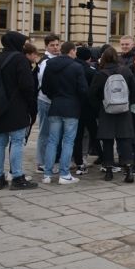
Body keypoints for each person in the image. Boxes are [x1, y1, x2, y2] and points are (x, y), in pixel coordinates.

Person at [0, 31, 38, 190]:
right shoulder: (19, 59)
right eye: (23, 43)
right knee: (17, 141)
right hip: (16, 108)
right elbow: (27, 86)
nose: (24, 46)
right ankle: (17, 177)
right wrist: (32, 107)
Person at [40, 41, 88, 185]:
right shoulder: (77, 67)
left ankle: (47, 174)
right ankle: (64, 174)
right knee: (68, 141)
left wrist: (55, 96)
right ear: (72, 51)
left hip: (55, 105)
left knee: (52, 141)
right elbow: (83, 89)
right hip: (71, 107)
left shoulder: (50, 64)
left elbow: (45, 87)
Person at [89, 46, 135, 182]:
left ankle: (109, 171)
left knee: (108, 142)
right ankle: (129, 170)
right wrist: (127, 103)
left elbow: (93, 94)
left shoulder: (101, 74)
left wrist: (100, 107)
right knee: (125, 141)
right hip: (124, 110)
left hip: (107, 111)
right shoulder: (126, 71)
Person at [35, 33, 61, 173]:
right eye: (52, 45)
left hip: (53, 100)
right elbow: (44, 83)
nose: (55, 48)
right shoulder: (45, 61)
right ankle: (41, 162)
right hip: (45, 99)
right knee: (45, 132)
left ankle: (50, 160)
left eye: (57, 45)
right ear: (46, 46)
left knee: (53, 133)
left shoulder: (56, 59)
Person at [73, 46, 98, 174]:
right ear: (89, 58)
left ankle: (77, 160)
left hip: (74, 106)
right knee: (94, 132)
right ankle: (102, 155)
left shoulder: (71, 67)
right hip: (88, 107)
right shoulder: (91, 71)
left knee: (77, 135)